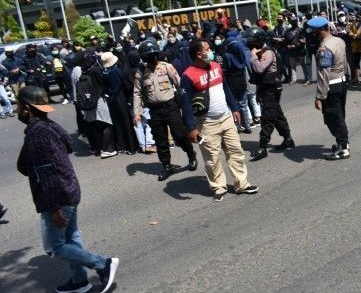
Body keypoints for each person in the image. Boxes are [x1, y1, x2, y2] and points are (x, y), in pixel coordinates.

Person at [16, 86, 119, 293]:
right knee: (72, 239)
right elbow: (65, 147)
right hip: (70, 189)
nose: (17, 109)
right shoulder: (48, 126)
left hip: (58, 196)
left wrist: (53, 208)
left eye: (19, 106)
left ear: (26, 108)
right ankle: (80, 280)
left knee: (55, 247)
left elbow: (47, 172)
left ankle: (103, 264)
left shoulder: (37, 134)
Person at [180, 40, 259, 202]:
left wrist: (235, 108)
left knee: (236, 151)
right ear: (199, 54)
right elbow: (185, 103)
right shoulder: (187, 76)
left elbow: (226, 89)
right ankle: (218, 187)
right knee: (212, 157)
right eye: (207, 49)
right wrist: (191, 128)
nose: (211, 51)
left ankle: (241, 184)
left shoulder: (216, 66)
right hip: (206, 124)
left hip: (226, 118)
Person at [132, 40, 198, 181]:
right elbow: (137, 93)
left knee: (179, 135)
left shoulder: (167, 67)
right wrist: (137, 112)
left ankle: (191, 155)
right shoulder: (140, 73)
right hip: (154, 110)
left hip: (170, 106)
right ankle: (166, 165)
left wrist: (188, 103)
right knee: (160, 139)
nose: (154, 58)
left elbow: (181, 85)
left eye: (155, 54)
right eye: (150, 56)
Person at [246, 26, 295, 161]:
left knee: (268, 117)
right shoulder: (260, 51)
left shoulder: (267, 52)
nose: (250, 44)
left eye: (252, 41)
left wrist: (253, 57)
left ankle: (262, 147)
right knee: (277, 115)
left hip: (271, 88)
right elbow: (258, 77)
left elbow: (260, 69)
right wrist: (257, 92)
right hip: (265, 88)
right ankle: (288, 139)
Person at [308, 16, 350, 160]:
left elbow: (324, 74)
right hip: (342, 83)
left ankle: (343, 148)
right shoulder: (339, 40)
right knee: (340, 115)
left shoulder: (324, 48)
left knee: (333, 117)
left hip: (331, 86)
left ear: (321, 30)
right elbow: (345, 63)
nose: (313, 34)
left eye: (314, 32)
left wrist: (319, 96)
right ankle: (342, 143)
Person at [100, 52, 139, 154]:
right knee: (126, 123)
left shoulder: (104, 73)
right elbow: (127, 85)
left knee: (117, 123)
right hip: (121, 97)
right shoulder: (117, 71)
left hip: (111, 99)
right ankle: (131, 147)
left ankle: (121, 146)